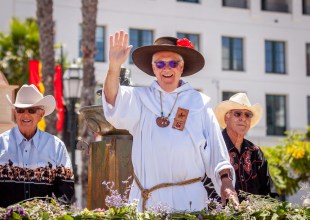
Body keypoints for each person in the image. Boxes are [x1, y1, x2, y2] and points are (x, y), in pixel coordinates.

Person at [102, 30, 238, 212]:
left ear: (181, 67)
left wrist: (226, 182)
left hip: (189, 202)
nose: (167, 68)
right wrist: (114, 66)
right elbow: (112, 100)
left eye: (173, 63)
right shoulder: (139, 98)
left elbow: (216, 150)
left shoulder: (199, 103)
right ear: (153, 68)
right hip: (147, 201)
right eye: (160, 63)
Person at [0, 84, 74, 207]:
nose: (25, 115)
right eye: (20, 110)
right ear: (15, 113)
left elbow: (65, 192)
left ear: (41, 115)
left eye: (32, 110)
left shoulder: (57, 147)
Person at [204, 93, 278, 202]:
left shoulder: (256, 152)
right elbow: (206, 187)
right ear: (226, 118)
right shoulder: (213, 147)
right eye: (237, 114)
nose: (243, 118)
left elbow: (269, 191)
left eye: (247, 115)